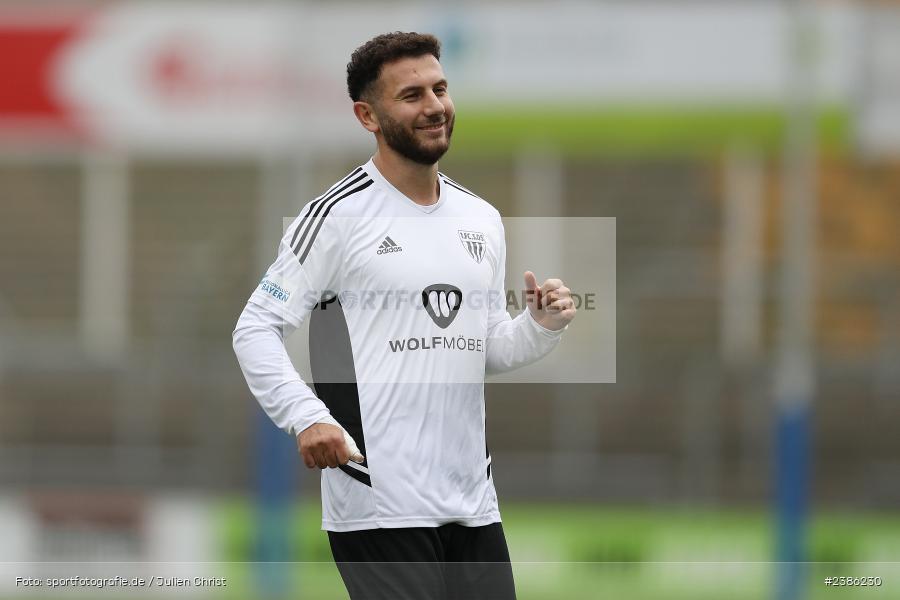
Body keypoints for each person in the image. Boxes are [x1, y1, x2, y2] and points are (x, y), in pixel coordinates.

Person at [232, 31, 576, 600]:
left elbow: (484, 347)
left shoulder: (481, 218)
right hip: (379, 503)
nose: (435, 106)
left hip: (472, 503)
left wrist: (538, 327)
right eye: (412, 95)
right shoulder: (335, 217)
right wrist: (306, 417)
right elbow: (255, 329)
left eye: (440, 88)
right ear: (368, 115)